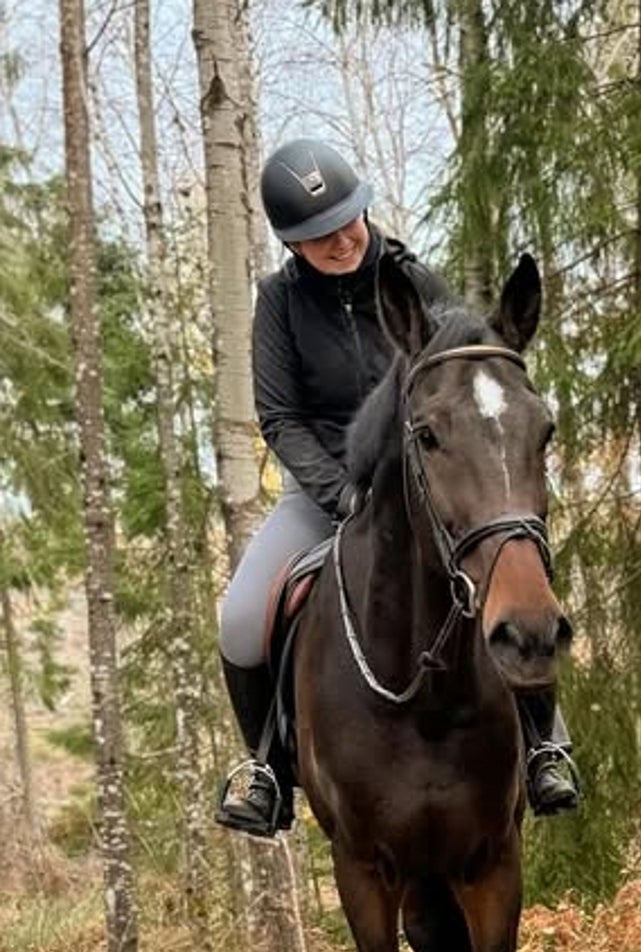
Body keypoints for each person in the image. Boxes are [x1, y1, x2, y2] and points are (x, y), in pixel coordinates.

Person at [215, 136, 582, 837]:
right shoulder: (279, 306)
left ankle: (545, 744)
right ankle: (265, 767)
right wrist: (341, 494)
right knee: (238, 618)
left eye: (347, 221)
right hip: (327, 492)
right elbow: (280, 417)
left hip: (424, 484)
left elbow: (470, 380)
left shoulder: (414, 279)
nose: (340, 240)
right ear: (293, 245)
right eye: (318, 237)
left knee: (511, 572)